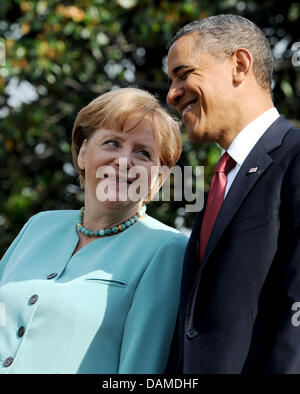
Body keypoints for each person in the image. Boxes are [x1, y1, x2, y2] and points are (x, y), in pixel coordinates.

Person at [0, 87, 188, 374]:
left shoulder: (166, 249)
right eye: (112, 143)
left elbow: (141, 369)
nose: (124, 161)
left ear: (158, 179)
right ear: (83, 153)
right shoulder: (39, 225)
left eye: (143, 153)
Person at [166, 14, 300, 373]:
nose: (172, 94)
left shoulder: (295, 156)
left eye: (183, 74)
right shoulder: (220, 183)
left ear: (239, 65)